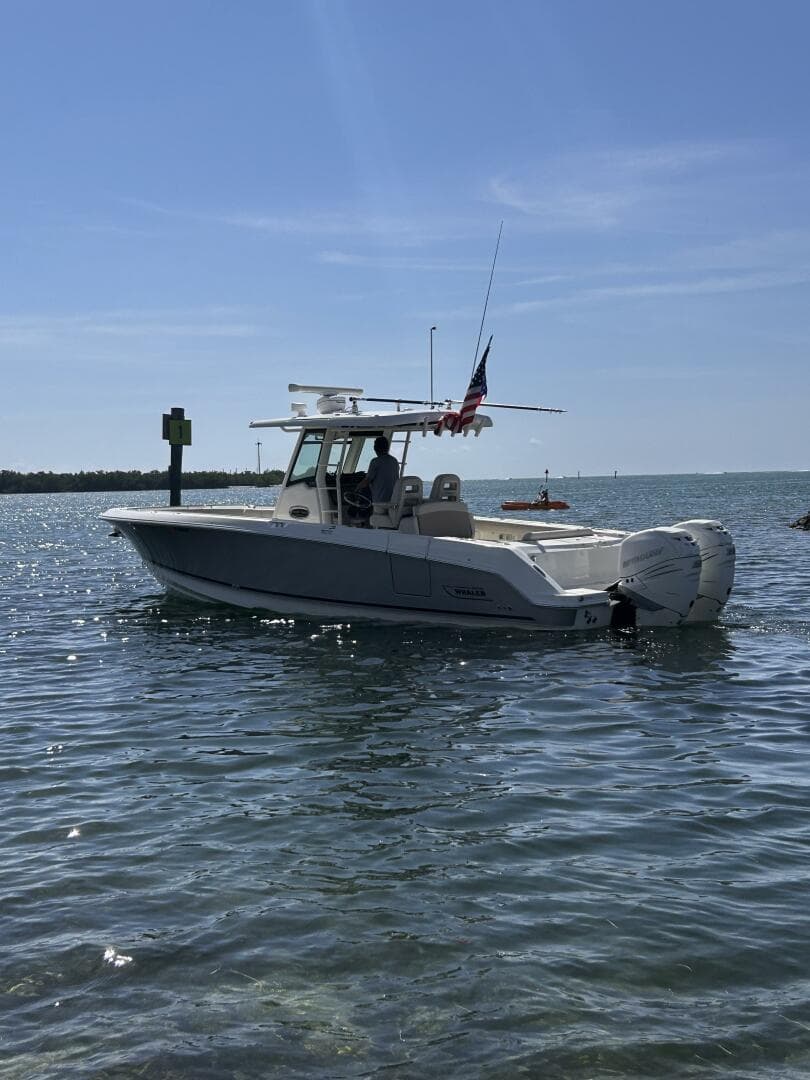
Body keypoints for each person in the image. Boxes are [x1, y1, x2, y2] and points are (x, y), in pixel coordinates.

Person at [351, 436, 399, 523]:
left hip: (380, 502)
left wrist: (356, 488)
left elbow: (366, 481)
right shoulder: (394, 461)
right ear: (387, 448)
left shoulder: (375, 462)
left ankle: (361, 517)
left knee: (363, 490)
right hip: (393, 500)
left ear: (375, 448)